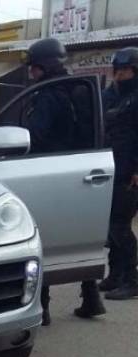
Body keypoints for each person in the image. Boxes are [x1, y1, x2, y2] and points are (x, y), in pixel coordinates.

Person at [23, 38, 106, 323]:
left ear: (43, 66)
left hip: (51, 171)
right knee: (82, 234)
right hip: (86, 169)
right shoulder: (81, 89)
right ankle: (91, 296)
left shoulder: (47, 94)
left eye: (34, 68)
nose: (31, 73)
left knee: (42, 237)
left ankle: (42, 306)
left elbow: (34, 136)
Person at [99, 47, 138, 300]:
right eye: (118, 70)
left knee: (120, 225)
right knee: (110, 226)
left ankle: (131, 279)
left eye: (125, 71)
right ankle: (115, 274)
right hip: (109, 167)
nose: (120, 75)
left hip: (130, 172)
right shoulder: (111, 95)